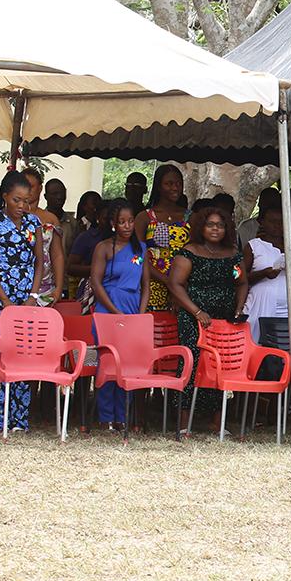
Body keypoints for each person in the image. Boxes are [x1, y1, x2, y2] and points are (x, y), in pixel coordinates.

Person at [167, 207, 248, 435]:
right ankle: (184, 423)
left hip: (223, 320)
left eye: (220, 225)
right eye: (210, 224)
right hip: (195, 319)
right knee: (191, 365)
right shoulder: (189, 251)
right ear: (201, 227)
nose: (215, 229)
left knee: (220, 367)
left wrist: (239, 307)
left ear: (227, 229)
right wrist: (196, 311)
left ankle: (216, 422)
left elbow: (241, 283)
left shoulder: (233, 253)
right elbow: (175, 284)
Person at [0, 171, 44, 432]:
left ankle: (18, 420)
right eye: (16, 200)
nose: (21, 206)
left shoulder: (34, 223)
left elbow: (40, 261)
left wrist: (33, 296)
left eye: (26, 200)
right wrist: (4, 299)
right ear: (4, 197)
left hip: (26, 299)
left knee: (23, 357)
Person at [89, 198, 149, 432]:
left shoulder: (141, 249)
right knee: (107, 364)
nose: (127, 226)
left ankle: (122, 416)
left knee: (129, 366)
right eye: (122, 222)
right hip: (107, 311)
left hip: (133, 310)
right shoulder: (103, 247)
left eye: (131, 221)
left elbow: (145, 284)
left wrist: (140, 316)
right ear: (113, 223)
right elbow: (96, 283)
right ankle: (106, 418)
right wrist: (115, 313)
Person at [134, 165, 191, 312]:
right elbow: (138, 257)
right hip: (152, 286)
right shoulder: (144, 217)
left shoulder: (191, 217)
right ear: (159, 186)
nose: (175, 188)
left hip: (184, 287)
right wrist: (169, 282)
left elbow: (196, 254)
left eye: (179, 183)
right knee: (154, 331)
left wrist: (178, 286)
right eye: (169, 184)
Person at [242, 205, 291, 342]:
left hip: (287, 305)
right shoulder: (254, 246)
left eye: (281, 221)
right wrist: (264, 274)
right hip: (260, 301)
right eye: (272, 221)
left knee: (284, 345)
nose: (277, 225)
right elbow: (241, 278)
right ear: (263, 222)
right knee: (256, 341)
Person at [23, 168, 65, 306]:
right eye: (24, 184)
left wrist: (59, 288)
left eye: (32, 186)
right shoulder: (12, 217)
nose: (27, 189)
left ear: (40, 188)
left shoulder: (51, 219)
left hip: (46, 288)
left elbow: (57, 255)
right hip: (18, 286)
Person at [68, 199, 110, 303]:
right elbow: (70, 268)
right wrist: (98, 269)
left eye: (113, 219)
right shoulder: (86, 237)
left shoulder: (122, 239)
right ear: (97, 218)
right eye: (105, 219)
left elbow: (138, 259)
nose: (110, 223)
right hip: (92, 290)